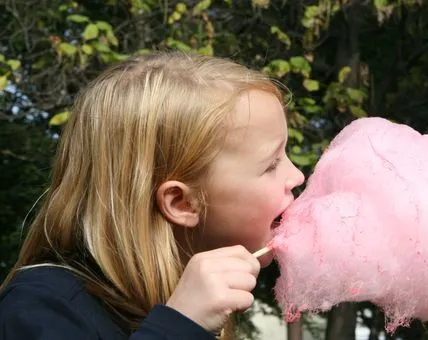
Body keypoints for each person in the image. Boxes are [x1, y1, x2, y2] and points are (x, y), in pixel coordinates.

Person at [0, 51, 305, 339]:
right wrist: (180, 326)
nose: (297, 176)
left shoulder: (190, 303)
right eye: (272, 164)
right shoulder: (41, 308)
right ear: (181, 203)